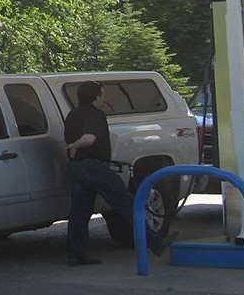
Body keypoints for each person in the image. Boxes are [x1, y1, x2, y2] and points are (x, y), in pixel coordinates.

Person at [64, 81, 174, 266]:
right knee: (127, 205)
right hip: (95, 167)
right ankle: (156, 243)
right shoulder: (95, 115)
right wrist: (75, 145)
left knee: (79, 213)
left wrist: (74, 149)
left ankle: (76, 254)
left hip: (77, 167)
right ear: (96, 97)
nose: (104, 99)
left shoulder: (72, 115)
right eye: (102, 95)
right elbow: (89, 139)